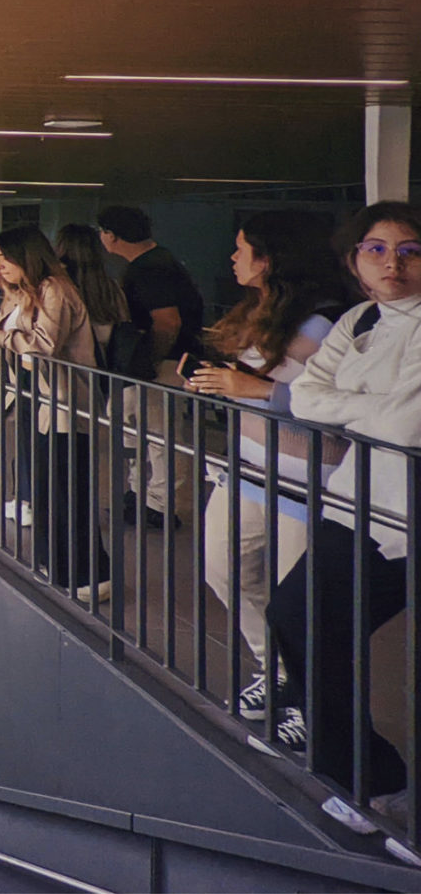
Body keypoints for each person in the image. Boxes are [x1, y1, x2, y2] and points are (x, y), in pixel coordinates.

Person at [270, 201, 421, 821]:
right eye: (377, 249)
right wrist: (371, 405)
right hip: (355, 501)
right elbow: (305, 397)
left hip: (402, 518)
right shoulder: (361, 317)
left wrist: (351, 403)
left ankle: (368, 780)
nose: (394, 263)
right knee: (298, 616)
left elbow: (409, 421)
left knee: (317, 623)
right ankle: (364, 773)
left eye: (410, 250)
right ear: (355, 260)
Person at [183, 210, 345, 719]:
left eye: (241, 249)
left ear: (270, 258)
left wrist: (259, 390)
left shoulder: (328, 323)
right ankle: (275, 669)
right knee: (224, 567)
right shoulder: (263, 311)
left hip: (306, 481)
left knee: (300, 602)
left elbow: (338, 404)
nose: (232, 258)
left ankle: (307, 696)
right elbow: (253, 384)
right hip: (249, 468)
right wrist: (220, 383)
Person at [0, 226, 111, 600]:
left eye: (5, 258)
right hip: (32, 398)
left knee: (67, 487)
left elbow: (44, 345)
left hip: (63, 402)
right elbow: (10, 331)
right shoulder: (19, 293)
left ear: (28, 257)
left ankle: (87, 574)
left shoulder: (56, 289)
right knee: (44, 486)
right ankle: (56, 564)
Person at [99, 205, 205, 530]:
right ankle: (140, 494)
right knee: (139, 427)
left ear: (112, 236)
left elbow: (167, 321)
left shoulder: (151, 270)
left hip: (164, 365)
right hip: (160, 363)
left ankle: (159, 504)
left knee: (161, 435)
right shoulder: (158, 262)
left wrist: (149, 361)